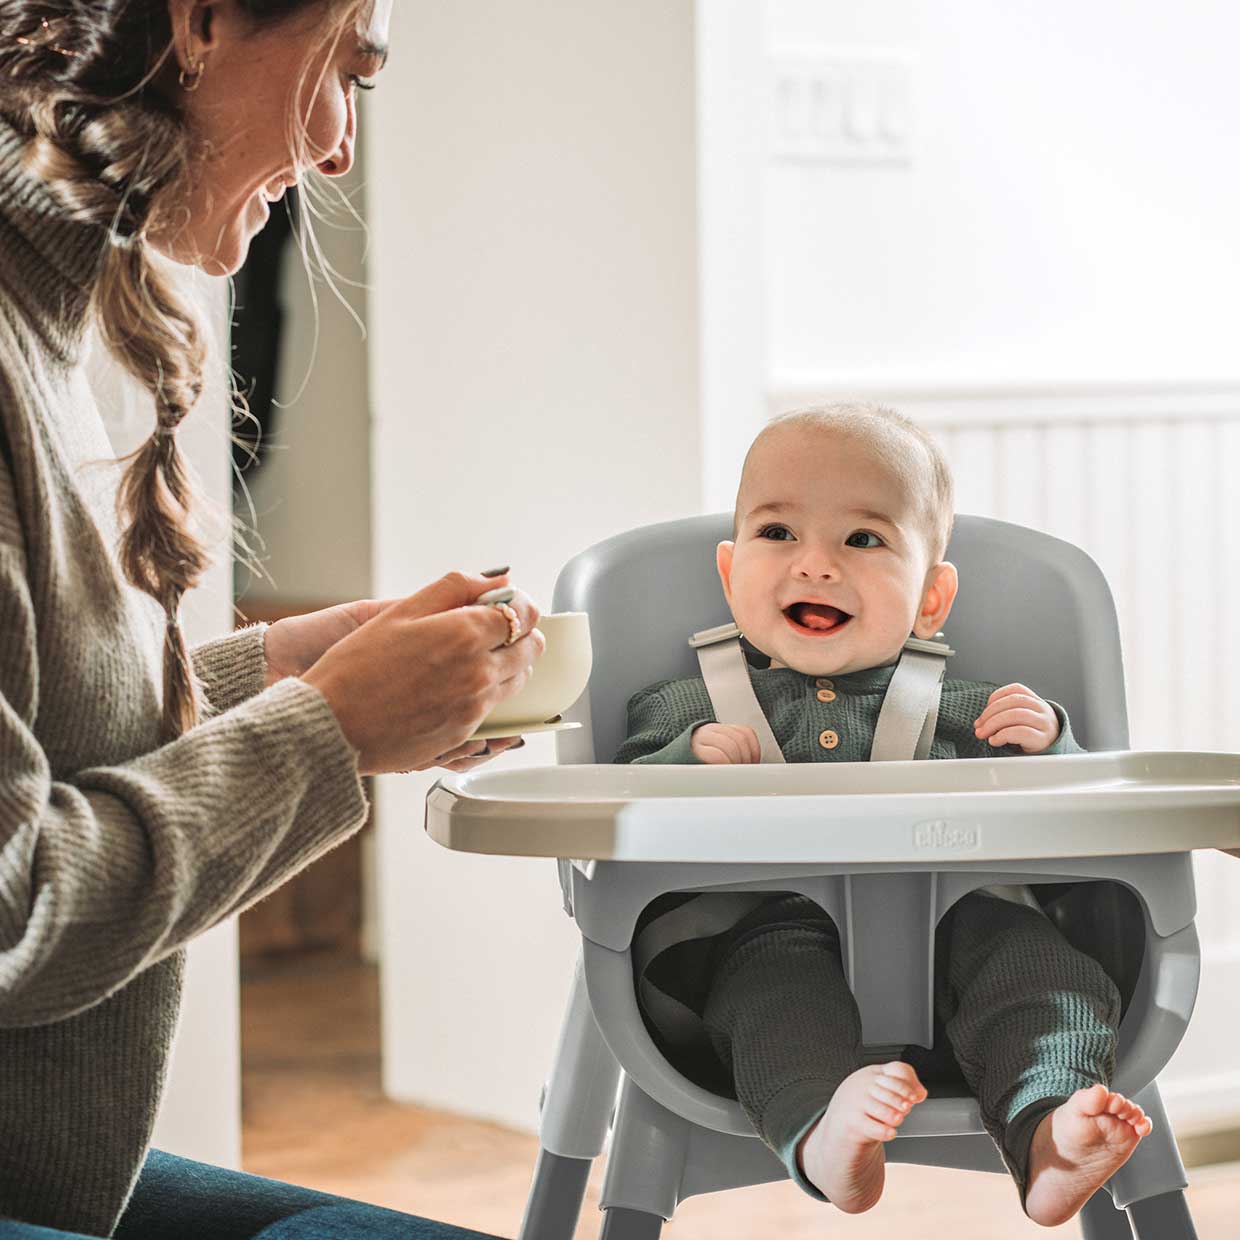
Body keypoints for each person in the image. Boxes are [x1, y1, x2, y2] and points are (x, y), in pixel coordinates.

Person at [0, 1, 539, 1236]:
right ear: (196, 24)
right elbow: (16, 911)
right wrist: (328, 731)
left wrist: (286, 672)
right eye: (349, 69)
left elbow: (48, 742)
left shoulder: (42, 312)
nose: (342, 146)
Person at [615, 404, 1153, 1227]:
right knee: (776, 998)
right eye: (778, 534)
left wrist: (1051, 747)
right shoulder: (685, 706)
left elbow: (1086, 822)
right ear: (730, 574)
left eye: (862, 540)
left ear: (932, 597)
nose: (816, 566)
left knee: (1046, 975)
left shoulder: (970, 711)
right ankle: (825, 1140)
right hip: (766, 937)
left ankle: (1050, 1132)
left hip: (962, 947)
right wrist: (681, 765)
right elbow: (611, 816)